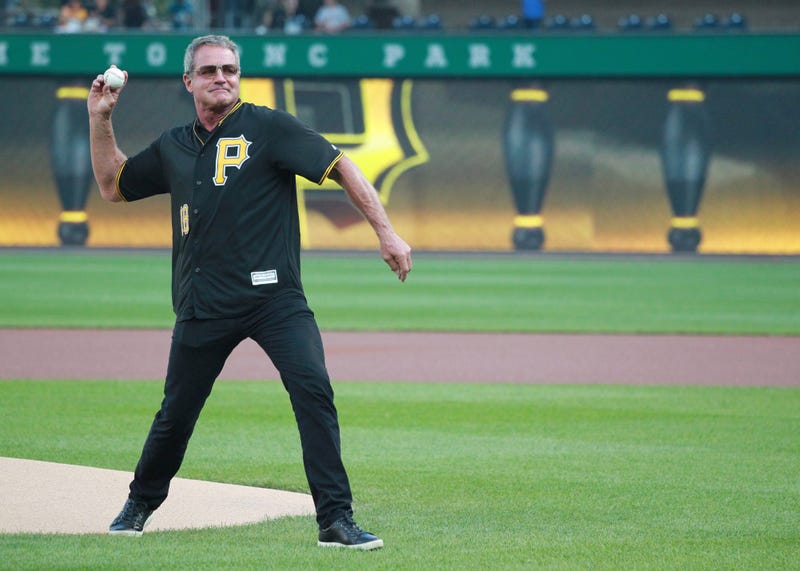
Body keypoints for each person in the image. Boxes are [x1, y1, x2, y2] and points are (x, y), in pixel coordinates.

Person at [87, 34, 412, 549]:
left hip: (274, 299)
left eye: (231, 69)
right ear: (188, 81)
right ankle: (139, 504)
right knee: (177, 413)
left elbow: (342, 165)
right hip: (204, 302)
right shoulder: (175, 145)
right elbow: (113, 185)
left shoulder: (269, 127)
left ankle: (335, 519)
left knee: (313, 391)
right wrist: (101, 118)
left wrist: (386, 232)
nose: (223, 77)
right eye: (211, 70)